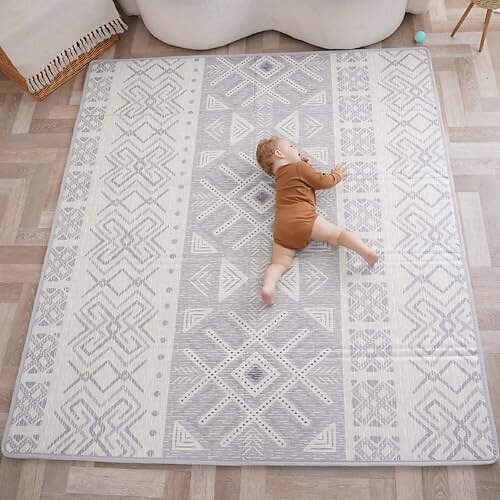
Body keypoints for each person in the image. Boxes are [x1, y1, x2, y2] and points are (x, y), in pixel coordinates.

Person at [255, 136, 379, 305]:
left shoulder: (279, 178)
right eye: (291, 147)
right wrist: (336, 175)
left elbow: (299, 181)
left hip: (282, 226)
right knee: (338, 235)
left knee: (279, 263)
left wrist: (304, 165)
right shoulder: (299, 167)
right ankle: (365, 251)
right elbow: (321, 181)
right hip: (303, 217)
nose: (296, 149)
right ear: (279, 153)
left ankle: (269, 286)